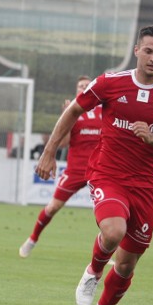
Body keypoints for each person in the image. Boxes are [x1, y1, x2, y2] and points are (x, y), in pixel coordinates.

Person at [35, 25, 153, 305]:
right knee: (114, 231)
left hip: (145, 185)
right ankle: (92, 271)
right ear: (137, 50)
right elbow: (74, 111)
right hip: (108, 172)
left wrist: (152, 137)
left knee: (127, 264)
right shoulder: (110, 83)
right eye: (148, 51)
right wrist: (49, 152)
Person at [20, 76, 102, 258]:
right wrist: (67, 118)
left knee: (105, 212)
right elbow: (63, 144)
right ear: (76, 90)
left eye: (87, 86)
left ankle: (105, 254)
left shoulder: (102, 111)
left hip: (98, 170)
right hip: (75, 170)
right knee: (52, 207)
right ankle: (32, 239)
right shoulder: (72, 112)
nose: (83, 88)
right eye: (80, 86)